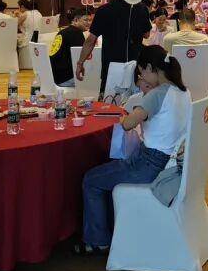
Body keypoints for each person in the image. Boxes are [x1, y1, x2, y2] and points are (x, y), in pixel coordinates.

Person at [78, 46, 191, 253]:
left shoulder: (157, 95)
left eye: (142, 73)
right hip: (171, 163)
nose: (142, 78)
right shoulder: (184, 92)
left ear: (149, 68)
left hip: (149, 164)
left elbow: (128, 124)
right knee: (107, 175)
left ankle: (97, 241)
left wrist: (129, 114)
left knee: (91, 179)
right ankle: (110, 230)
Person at [77, 0, 152, 93]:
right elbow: (146, 34)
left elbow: (91, 40)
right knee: (135, 101)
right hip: (135, 66)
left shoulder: (103, 10)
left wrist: (80, 63)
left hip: (110, 66)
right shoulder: (141, 9)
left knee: (109, 101)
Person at [49, 8, 91, 87]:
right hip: (66, 78)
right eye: (86, 20)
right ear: (76, 20)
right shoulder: (76, 34)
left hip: (55, 77)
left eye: (90, 20)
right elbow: (80, 58)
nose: (89, 23)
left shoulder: (63, 32)